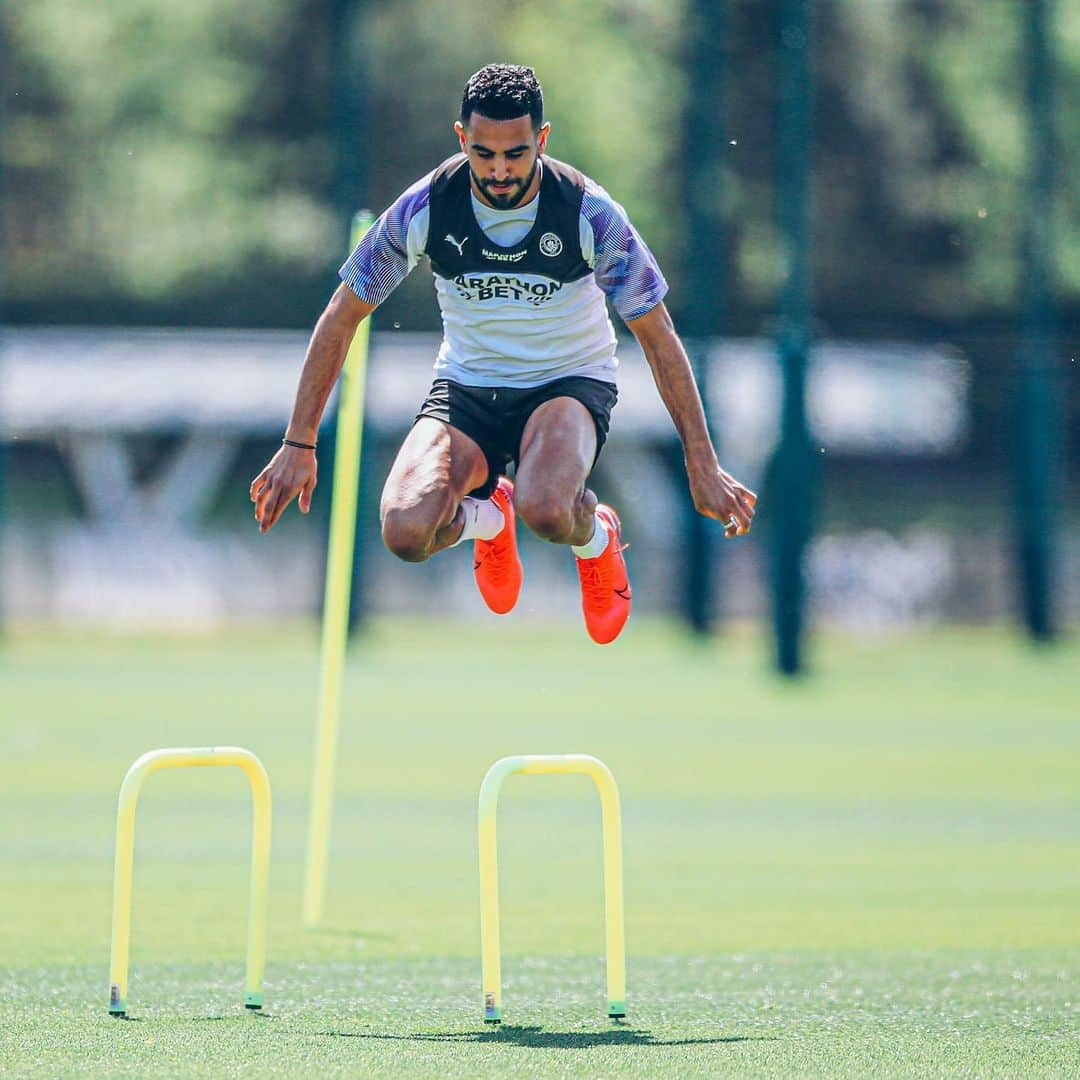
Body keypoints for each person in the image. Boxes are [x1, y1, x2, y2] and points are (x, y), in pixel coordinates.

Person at [251, 63, 756, 645]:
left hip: (566, 384)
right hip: (467, 389)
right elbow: (341, 317)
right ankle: (491, 517)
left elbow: (658, 334)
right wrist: (299, 441)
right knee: (404, 531)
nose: (497, 170)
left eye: (515, 154)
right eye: (483, 153)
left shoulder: (590, 215)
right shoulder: (426, 208)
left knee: (547, 511)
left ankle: (596, 536)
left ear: (542, 140)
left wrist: (701, 460)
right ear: (460, 137)